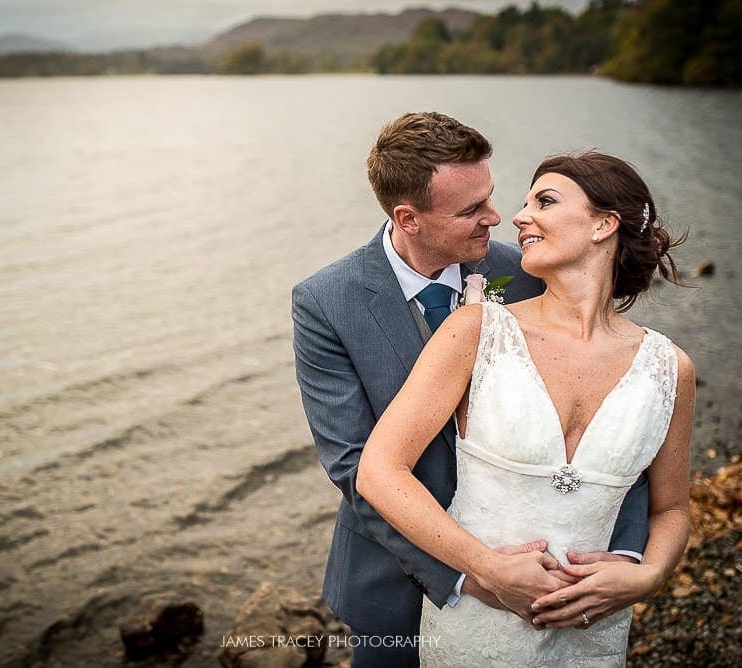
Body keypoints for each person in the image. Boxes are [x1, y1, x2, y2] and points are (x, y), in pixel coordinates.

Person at [292, 112, 653, 667]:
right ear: (408, 218)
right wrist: (470, 571)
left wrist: (626, 555)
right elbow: (353, 464)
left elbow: (614, 416)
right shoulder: (326, 302)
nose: (497, 217)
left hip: (538, 570)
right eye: (470, 210)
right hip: (393, 578)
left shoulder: (529, 270)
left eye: (489, 195)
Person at [356, 150, 695, 666]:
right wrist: (485, 567)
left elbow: (670, 508)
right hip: (477, 626)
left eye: (546, 201)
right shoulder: (478, 330)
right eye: (525, 202)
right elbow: (378, 471)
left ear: (605, 224)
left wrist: (646, 576)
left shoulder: (670, 367)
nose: (517, 216)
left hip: (594, 632)